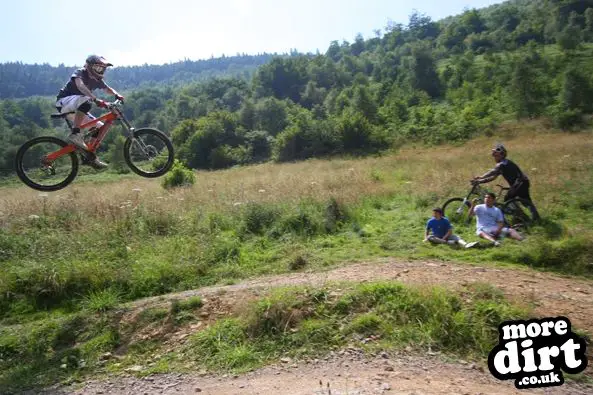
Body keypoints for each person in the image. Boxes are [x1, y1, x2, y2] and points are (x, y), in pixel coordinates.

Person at [55, 55, 124, 169]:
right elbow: (80, 86)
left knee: (100, 127)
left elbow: (107, 89)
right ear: (89, 66)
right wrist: (95, 99)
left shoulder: (96, 80)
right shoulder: (80, 72)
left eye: (103, 69)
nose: (101, 71)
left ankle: (89, 155)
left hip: (77, 108)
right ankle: (75, 134)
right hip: (64, 102)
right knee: (87, 100)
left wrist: (117, 94)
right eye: (98, 68)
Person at [471, 143, 540, 221]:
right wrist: (480, 181)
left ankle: (519, 217)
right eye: (494, 156)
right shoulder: (504, 163)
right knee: (525, 201)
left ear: (502, 155)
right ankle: (535, 218)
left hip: (519, 183)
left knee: (508, 199)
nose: (495, 157)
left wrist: (481, 177)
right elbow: (493, 177)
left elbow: (492, 172)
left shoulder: (502, 164)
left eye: (496, 155)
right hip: (523, 182)